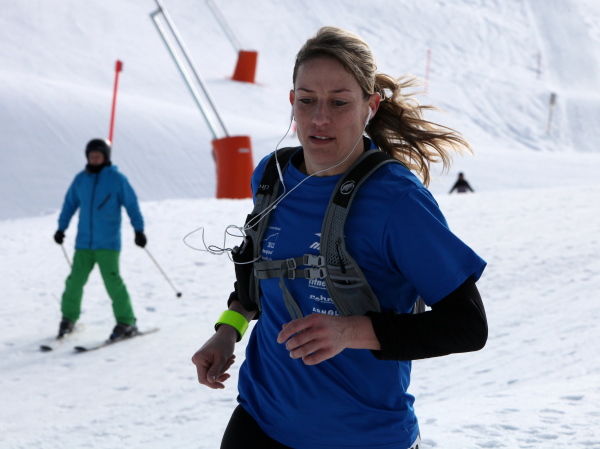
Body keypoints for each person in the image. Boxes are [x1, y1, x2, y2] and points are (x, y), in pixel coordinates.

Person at [192, 26, 488, 449]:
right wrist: (229, 329)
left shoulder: (397, 200)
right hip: (260, 421)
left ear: (371, 106)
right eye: (306, 100)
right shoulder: (272, 177)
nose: (319, 119)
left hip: (364, 437)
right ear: (291, 101)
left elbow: (468, 326)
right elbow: (258, 280)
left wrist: (351, 332)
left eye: (339, 102)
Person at [53, 138, 147, 341]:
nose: (94, 159)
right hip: (84, 244)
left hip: (108, 244)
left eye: (98, 156)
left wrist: (139, 230)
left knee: (113, 282)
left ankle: (127, 322)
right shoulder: (81, 179)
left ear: (106, 157)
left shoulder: (117, 179)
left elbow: (132, 205)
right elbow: (69, 205)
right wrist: (61, 228)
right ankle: (68, 319)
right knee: (74, 282)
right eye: (91, 156)